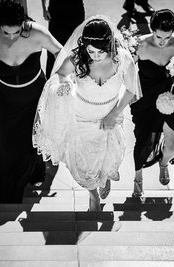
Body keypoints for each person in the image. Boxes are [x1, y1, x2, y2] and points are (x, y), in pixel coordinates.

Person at [33, 16, 142, 211]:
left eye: (101, 52)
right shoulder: (77, 57)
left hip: (109, 116)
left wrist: (114, 114)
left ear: (110, 45)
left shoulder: (123, 59)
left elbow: (131, 90)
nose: (95, 56)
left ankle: (104, 178)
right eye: (91, 51)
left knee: (108, 156)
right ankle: (93, 194)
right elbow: (60, 74)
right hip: (80, 117)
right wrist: (65, 84)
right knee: (82, 162)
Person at [0, 0, 62, 203]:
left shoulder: (37, 33)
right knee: (8, 144)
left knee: (35, 135)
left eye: (16, 32)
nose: (11, 37)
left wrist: (60, 78)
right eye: (5, 32)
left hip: (35, 95)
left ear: (23, 23)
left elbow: (61, 53)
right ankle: (10, 194)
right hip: (4, 98)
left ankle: (36, 173)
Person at [130, 9, 174, 197]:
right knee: (143, 143)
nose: (163, 42)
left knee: (173, 146)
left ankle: (164, 163)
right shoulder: (139, 45)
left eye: (167, 37)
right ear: (151, 29)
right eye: (158, 36)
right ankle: (138, 178)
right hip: (146, 98)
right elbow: (129, 73)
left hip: (171, 96)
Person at [41, 0, 85, 77]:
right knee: (53, 49)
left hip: (75, 11)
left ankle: (75, 81)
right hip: (56, 11)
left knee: (76, 48)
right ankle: (50, 82)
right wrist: (44, 8)